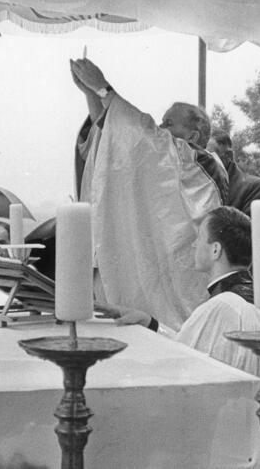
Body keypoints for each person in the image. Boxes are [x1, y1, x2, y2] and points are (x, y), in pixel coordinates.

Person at [98, 206, 260, 468]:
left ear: (215, 250)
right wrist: (150, 323)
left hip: (236, 444)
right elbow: (199, 354)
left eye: (199, 238)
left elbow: (183, 366)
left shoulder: (222, 306)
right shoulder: (258, 304)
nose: (194, 245)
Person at [71, 57, 227, 329]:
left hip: (183, 268)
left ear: (193, 134)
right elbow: (114, 138)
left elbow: (144, 140)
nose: (162, 127)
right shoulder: (174, 156)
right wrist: (91, 94)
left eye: (169, 123)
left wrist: (103, 89)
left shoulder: (204, 164)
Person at [206, 128, 260, 215]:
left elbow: (251, 228)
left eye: (206, 156)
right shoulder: (192, 189)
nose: (200, 162)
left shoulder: (255, 187)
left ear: (228, 156)